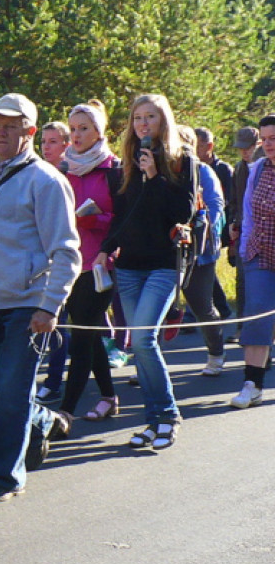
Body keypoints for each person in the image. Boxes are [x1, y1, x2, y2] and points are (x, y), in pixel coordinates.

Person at [0, 93, 80, 503]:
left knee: (12, 393)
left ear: (28, 130)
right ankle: (41, 421)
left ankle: (6, 478)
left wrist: (49, 305)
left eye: (9, 125)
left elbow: (67, 251)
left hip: (27, 304)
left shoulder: (46, 181)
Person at [96, 94, 195, 452]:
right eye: (138, 117)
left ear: (162, 121)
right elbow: (123, 216)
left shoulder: (182, 161)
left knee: (142, 339)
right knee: (141, 345)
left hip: (163, 265)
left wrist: (154, 175)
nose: (143, 124)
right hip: (129, 267)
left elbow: (181, 213)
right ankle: (155, 422)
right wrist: (104, 250)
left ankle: (168, 416)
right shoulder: (125, 165)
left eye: (150, 116)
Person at [56, 102, 120, 423]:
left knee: (81, 337)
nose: (77, 135)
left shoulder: (113, 170)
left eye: (84, 128)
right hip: (68, 263)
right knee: (90, 334)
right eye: (73, 128)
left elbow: (122, 221)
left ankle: (65, 411)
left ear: (99, 131)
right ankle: (109, 397)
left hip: (100, 265)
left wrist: (95, 218)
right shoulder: (63, 168)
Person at [227, 115, 275, 409]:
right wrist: (244, 249)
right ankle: (252, 384)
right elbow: (245, 211)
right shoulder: (256, 170)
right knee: (257, 311)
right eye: (265, 139)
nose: (269, 145)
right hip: (259, 251)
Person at [175, 125, 226, 376]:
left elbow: (216, 208)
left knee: (201, 306)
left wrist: (196, 231)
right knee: (158, 310)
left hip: (200, 253)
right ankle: (148, 363)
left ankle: (216, 353)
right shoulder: (163, 172)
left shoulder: (203, 171)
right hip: (168, 253)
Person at [36, 120, 72, 402]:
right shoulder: (38, 174)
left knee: (62, 323)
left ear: (65, 144)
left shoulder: (71, 172)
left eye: (52, 142)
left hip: (71, 257)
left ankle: (55, 380)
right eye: (43, 142)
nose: (46, 147)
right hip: (42, 260)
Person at [195, 126, 234, 319]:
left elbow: (227, 199)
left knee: (206, 264)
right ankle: (218, 307)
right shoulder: (191, 169)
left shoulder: (221, 169)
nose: (195, 150)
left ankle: (212, 309)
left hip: (218, 223)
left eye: (199, 146)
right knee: (203, 266)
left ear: (209, 146)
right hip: (200, 225)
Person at [228, 126, 261, 343]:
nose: (244, 153)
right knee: (242, 281)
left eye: (248, 148)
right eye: (241, 149)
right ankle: (242, 327)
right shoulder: (239, 169)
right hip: (243, 231)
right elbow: (236, 200)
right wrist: (233, 222)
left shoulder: (264, 167)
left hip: (264, 233)